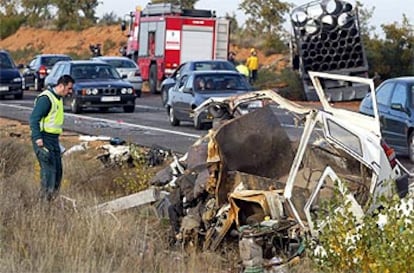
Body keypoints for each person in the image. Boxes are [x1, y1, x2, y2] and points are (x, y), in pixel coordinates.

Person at [29, 75, 74, 202]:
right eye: (69, 88)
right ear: (61, 86)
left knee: (58, 172)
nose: (70, 92)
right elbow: (34, 119)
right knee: (49, 173)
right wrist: (38, 138)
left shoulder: (58, 98)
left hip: (53, 140)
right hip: (43, 139)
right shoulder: (46, 99)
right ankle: (44, 205)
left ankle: (52, 201)